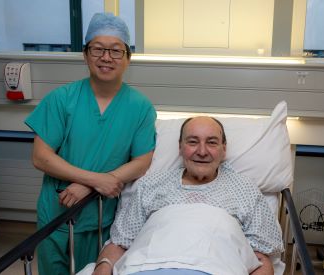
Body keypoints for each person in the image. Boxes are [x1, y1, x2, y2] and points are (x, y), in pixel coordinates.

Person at [25, 13, 156, 274]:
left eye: (115, 51)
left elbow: (142, 161)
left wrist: (92, 184)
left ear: (128, 58)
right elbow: (41, 156)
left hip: (103, 218)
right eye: (97, 49)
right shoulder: (62, 99)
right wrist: (95, 181)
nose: (106, 57)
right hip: (56, 213)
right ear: (85, 55)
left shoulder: (140, 107)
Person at [85, 116, 283, 275]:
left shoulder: (244, 189)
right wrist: (103, 267)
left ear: (224, 149)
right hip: (145, 267)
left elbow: (261, 258)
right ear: (180, 147)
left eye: (212, 142)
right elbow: (120, 243)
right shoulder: (151, 184)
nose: (202, 151)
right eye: (193, 142)